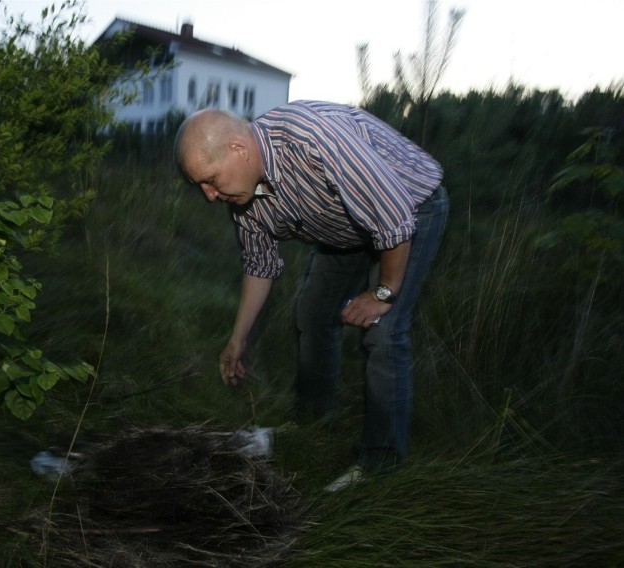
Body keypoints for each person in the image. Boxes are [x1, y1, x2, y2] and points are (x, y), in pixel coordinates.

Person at [174, 100, 448, 491]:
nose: (208, 196)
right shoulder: (244, 197)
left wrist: (383, 293)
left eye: (211, 180)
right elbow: (260, 266)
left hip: (412, 208)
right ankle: (312, 426)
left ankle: (379, 466)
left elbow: (393, 218)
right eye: (200, 185)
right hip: (348, 228)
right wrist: (237, 340)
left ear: (239, 148)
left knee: (383, 330)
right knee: (311, 314)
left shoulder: (313, 139)